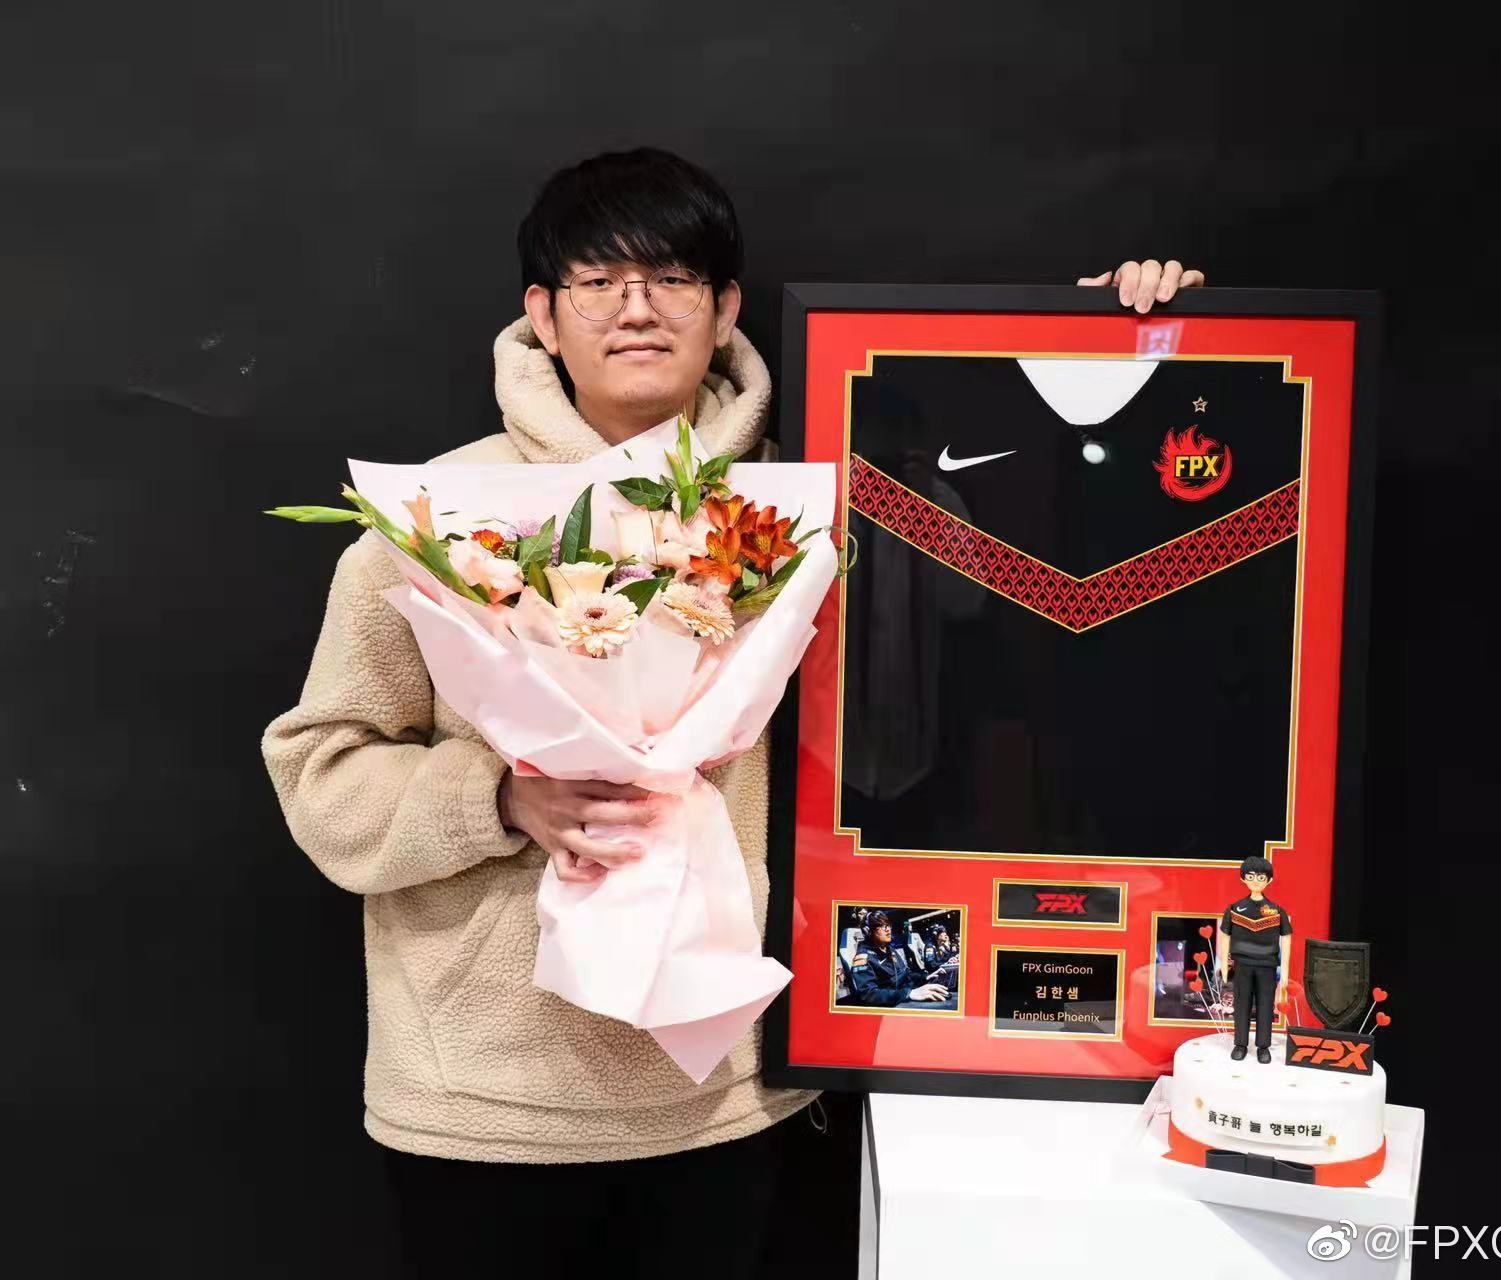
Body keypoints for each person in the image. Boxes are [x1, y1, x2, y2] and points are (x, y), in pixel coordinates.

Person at [260, 145, 1200, 1272]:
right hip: (483, 1097)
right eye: (599, 282)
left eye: (673, 278)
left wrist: (1118, 341)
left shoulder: (818, 505)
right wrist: (503, 797)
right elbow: (322, 772)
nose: (638, 308)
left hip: (727, 1087)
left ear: (726, 309)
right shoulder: (433, 523)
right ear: (542, 316)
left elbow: (1001, 570)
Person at [1216, 855, 1293, 1064]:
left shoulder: (1277, 911)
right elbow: (1225, 936)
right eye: (1250, 876)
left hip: (1267, 965)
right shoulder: (1235, 908)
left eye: (1261, 877)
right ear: (1243, 878)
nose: (1256, 881)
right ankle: (1240, 1043)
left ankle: (1263, 1046)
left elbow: (1286, 938)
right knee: (1241, 1004)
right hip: (1242, 964)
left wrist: (1285, 970)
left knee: (1265, 1005)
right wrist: (1224, 966)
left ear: (1269, 880)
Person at [846, 911, 952, 1007]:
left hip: (902, 998)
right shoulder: (863, 958)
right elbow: (869, 994)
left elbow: (906, 973)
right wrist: (908, 994)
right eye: (881, 926)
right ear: (868, 931)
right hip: (891, 1006)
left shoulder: (890, 950)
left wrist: (926, 977)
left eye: (888, 925)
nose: (888, 929)